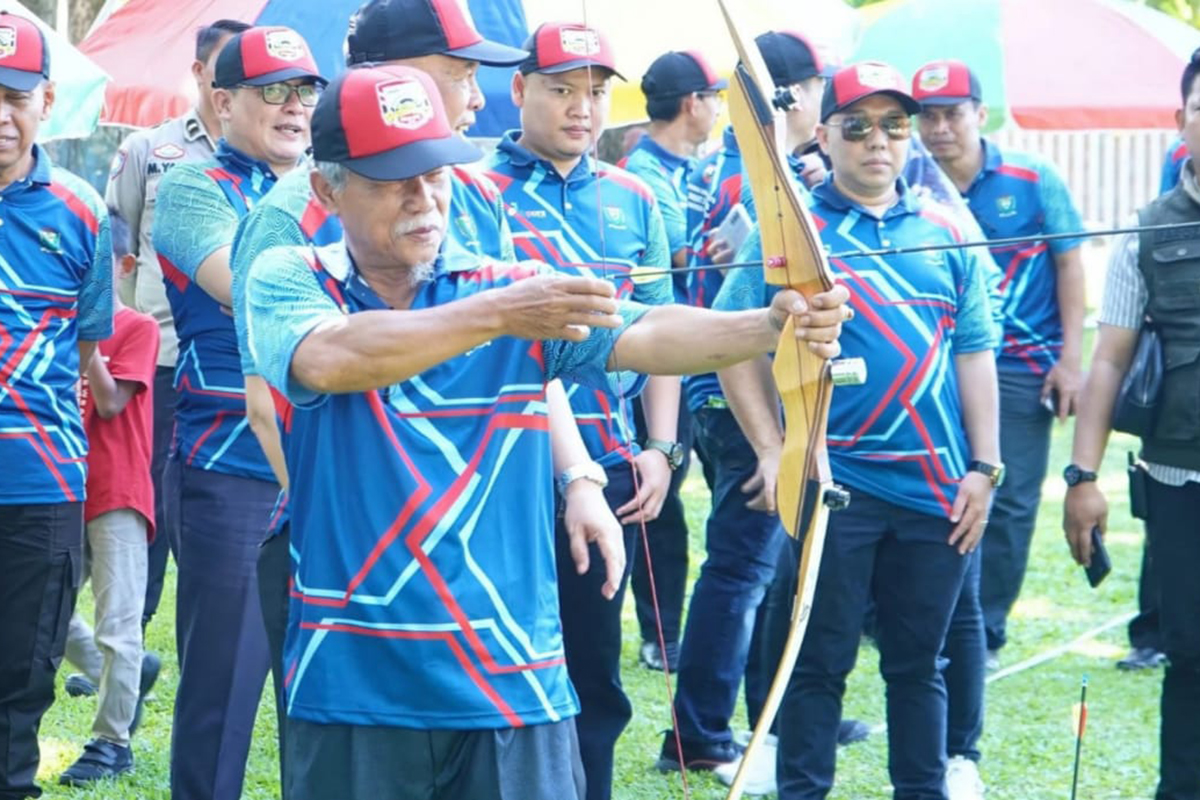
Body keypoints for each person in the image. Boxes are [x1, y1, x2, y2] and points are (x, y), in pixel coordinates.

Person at [244, 62, 850, 800]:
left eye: (435, 172)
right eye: (389, 177)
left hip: (510, 676)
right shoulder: (290, 274)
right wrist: (500, 312)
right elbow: (332, 356)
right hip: (355, 678)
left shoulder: (507, 291)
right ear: (327, 190)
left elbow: (647, 331)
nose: (422, 197)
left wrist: (766, 325)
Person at [715, 61, 999, 800]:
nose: (880, 141)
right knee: (818, 662)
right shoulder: (791, 233)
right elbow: (729, 343)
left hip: (937, 485)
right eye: (859, 126)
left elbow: (974, 353)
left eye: (895, 126)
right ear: (825, 134)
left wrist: (985, 467)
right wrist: (776, 451)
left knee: (919, 664)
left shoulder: (948, 228)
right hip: (833, 482)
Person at [659, 30, 867, 785]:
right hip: (740, 396)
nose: (819, 101)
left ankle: (760, 718)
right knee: (744, 566)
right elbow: (742, 315)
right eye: (810, 89)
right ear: (783, 101)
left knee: (777, 568)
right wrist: (773, 443)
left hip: (763, 395)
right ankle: (700, 733)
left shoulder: (771, 173)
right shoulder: (764, 180)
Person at [484, 22, 681, 800]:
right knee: (499, 669)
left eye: (597, 91)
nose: (582, 107)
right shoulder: (473, 189)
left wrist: (661, 448)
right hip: (496, 465)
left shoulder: (636, 196)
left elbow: (661, 328)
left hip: (609, 465)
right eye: (562, 88)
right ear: (519, 89)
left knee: (593, 670)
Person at [150, 25, 325, 800]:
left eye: (308, 91)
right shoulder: (193, 186)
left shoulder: (335, 183)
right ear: (222, 102)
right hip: (232, 468)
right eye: (274, 92)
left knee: (321, 693)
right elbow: (249, 288)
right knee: (223, 689)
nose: (295, 108)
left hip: (326, 460)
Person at [912, 61, 1085, 678]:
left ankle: (984, 628)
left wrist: (1072, 360)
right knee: (931, 489)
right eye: (926, 116)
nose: (938, 129)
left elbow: (1070, 263)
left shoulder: (1032, 177)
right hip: (930, 365)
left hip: (1019, 364)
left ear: (979, 115)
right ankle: (920, 618)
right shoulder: (908, 182)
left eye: (951, 113)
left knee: (1007, 498)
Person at [1064, 47, 1200, 800]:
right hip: (1182, 479)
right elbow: (1108, 362)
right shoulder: (1147, 234)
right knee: (1193, 654)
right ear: (1181, 122)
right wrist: (1081, 478)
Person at [102, 19, 250, 638]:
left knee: (212, 510)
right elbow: (120, 249)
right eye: (228, 71)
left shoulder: (286, 158)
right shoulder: (148, 150)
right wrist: (121, 348)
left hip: (237, 365)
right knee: (145, 502)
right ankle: (129, 636)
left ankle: (208, 628)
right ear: (199, 75)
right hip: (158, 359)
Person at [0, 12, 113, 799]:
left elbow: (84, 353)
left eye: (14, 96)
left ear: (44, 101)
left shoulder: (81, 211)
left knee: (20, 682)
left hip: (39, 488)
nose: (0, 117)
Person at [620, 48, 727, 673]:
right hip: (650, 357)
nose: (715, 110)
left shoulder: (688, 169)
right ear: (693, 104)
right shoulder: (645, 178)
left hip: (689, 357)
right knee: (658, 497)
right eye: (712, 98)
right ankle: (662, 633)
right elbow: (676, 267)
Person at [57, 214, 161, 786]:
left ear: (121, 269)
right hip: (59, 487)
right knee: (44, 614)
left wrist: (90, 331)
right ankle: (118, 675)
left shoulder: (137, 327)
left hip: (117, 489)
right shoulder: (48, 326)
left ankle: (110, 742)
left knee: (118, 623)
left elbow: (112, 401)